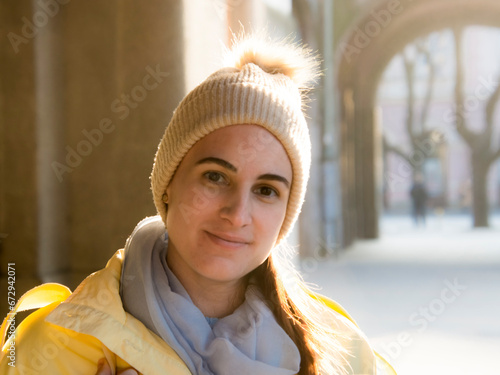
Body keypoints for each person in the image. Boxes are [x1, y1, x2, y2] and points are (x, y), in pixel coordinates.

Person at [0, 35, 395, 374]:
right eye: (216, 177)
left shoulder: (343, 352)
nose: (237, 214)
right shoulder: (56, 346)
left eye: (266, 190)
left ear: (286, 214)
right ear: (167, 183)